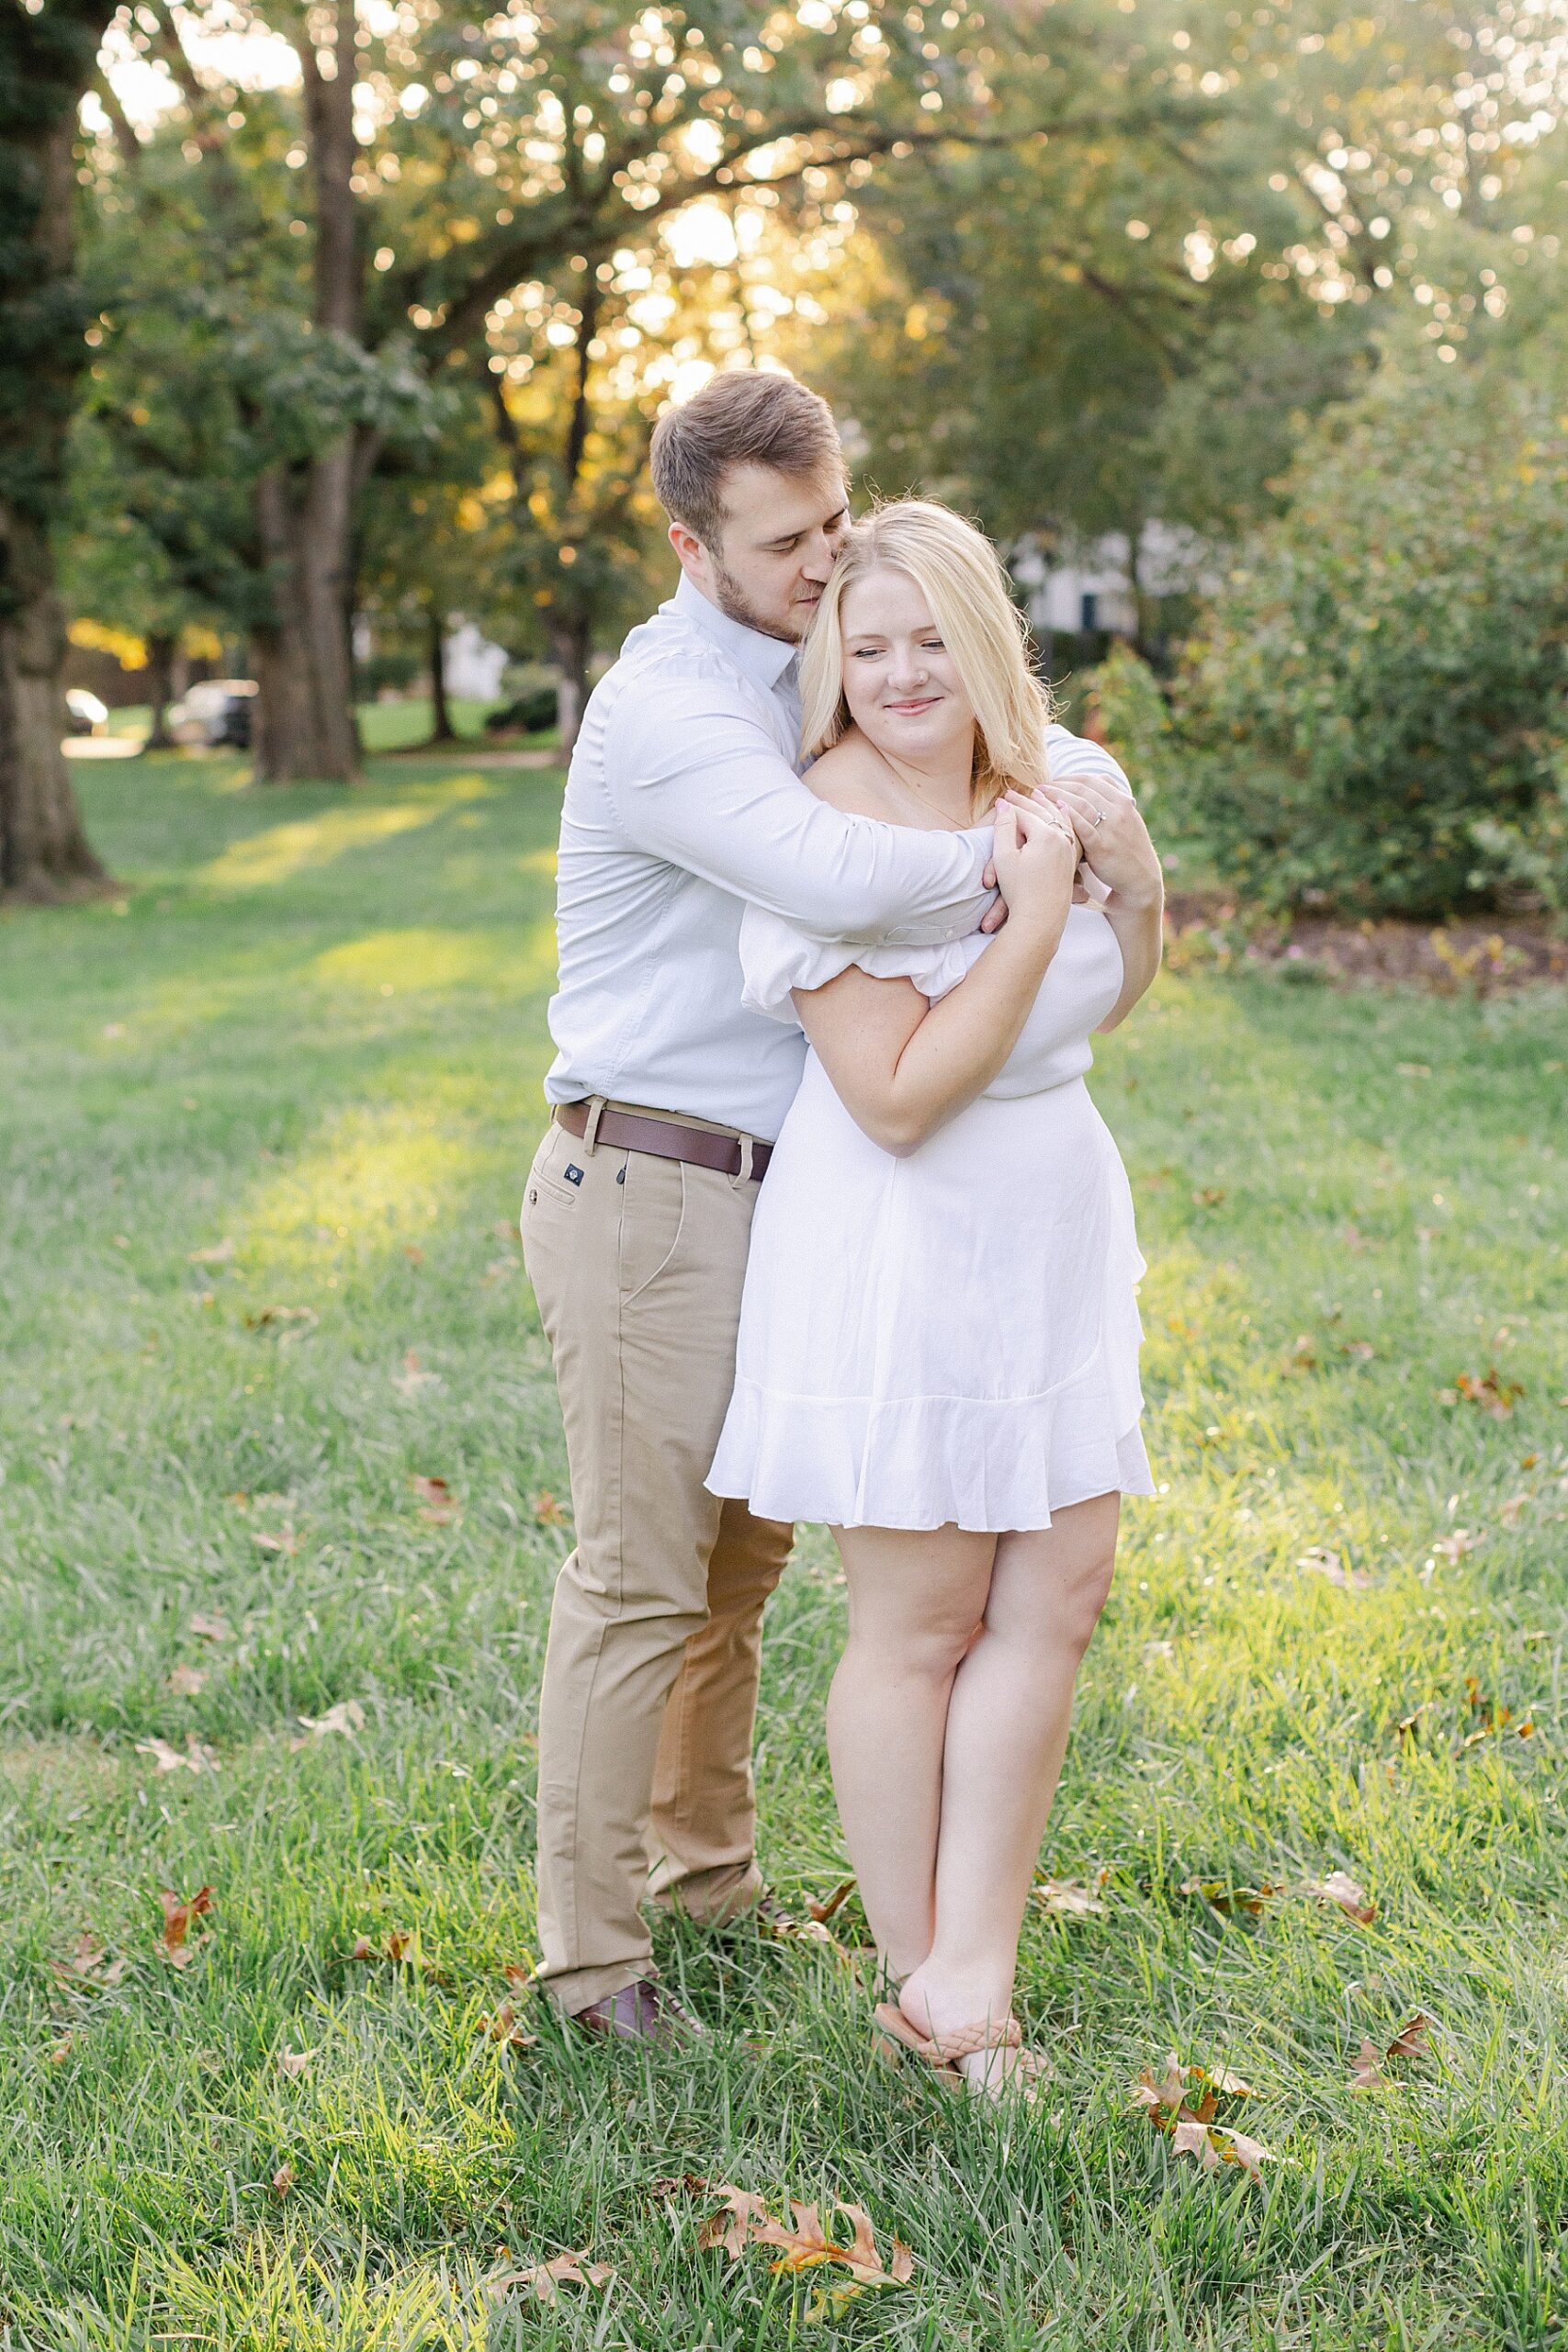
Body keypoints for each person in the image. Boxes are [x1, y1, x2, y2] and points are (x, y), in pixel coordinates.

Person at [521, 371, 1134, 2045]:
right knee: (641, 1581)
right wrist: (1040, 859)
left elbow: (968, 699)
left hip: (792, 1192)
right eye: (788, 545)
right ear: (690, 543)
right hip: (649, 1173)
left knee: (739, 1579)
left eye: (835, 524)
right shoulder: (674, 712)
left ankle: (707, 1879)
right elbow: (842, 876)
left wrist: (1068, 784)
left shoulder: (816, 666)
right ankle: (593, 1970)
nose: (824, 562)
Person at [706, 499, 1164, 2094]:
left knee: (1062, 1598)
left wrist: (1137, 888)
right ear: (833, 660)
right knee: (924, 1623)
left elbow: (1124, 983)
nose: (903, 673)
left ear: (988, 644)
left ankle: (975, 1965)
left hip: (1051, 1230)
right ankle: (935, 1995)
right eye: (868, 642)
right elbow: (895, 1096)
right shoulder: (816, 838)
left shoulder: (1064, 781)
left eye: (930, 639)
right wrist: (1035, 920)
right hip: (903, 1239)